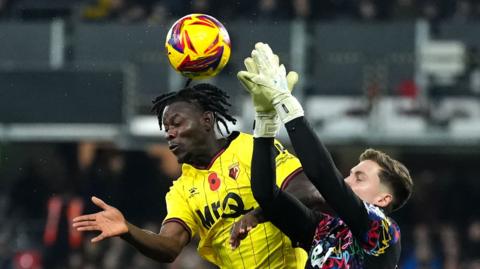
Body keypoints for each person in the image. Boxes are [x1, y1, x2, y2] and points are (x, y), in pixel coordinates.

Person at [72, 82, 325, 268]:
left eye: (177, 123)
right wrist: (127, 229)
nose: (170, 133)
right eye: (167, 129)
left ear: (206, 120)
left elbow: (307, 190)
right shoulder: (181, 190)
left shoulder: (249, 148)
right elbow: (169, 247)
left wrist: (259, 214)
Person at [231, 42, 413, 268]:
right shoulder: (325, 230)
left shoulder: (384, 234)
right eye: (350, 174)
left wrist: (285, 102)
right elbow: (267, 195)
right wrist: (266, 120)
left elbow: (323, 175)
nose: (346, 180)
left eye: (359, 178)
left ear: (383, 199)